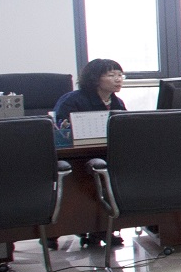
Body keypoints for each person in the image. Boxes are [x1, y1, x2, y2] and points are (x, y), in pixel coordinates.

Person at [52, 59, 127, 248]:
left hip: (107, 154)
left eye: (120, 75)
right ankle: (78, 226)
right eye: (111, 75)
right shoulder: (72, 101)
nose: (118, 79)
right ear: (95, 79)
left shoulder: (117, 103)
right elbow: (61, 131)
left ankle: (104, 226)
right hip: (75, 158)